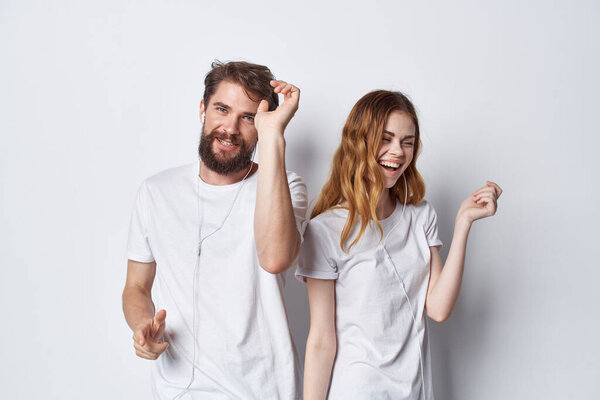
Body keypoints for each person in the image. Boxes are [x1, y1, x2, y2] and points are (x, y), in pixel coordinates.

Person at [297, 90, 502, 400]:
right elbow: (321, 340)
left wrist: (463, 223)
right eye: (386, 138)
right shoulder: (325, 230)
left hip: (416, 392)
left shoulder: (421, 217)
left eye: (407, 142)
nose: (398, 151)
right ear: (359, 142)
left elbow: (438, 308)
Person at [122, 61, 307, 399]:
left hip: (263, 390)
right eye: (222, 109)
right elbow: (136, 286)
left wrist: (273, 135)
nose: (231, 128)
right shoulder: (156, 192)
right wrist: (142, 328)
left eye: (248, 117)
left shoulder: (287, 187)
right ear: (203, 109)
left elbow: (276, 258)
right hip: (179, 389)